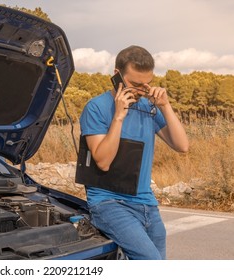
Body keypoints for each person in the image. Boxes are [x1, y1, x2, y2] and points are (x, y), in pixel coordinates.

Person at [79, 45, 189, 260]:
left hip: (147, 202)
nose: (141, 90)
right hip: (109, 203)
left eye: (146, 84)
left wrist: (165, 106)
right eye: (135, 84)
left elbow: (182, 146)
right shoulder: (96, 107)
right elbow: (102, 161)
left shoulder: (149, 106)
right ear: (116, 75)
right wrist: (119, 116)